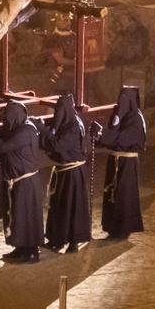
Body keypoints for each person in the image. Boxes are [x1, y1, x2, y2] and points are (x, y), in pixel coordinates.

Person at [0, 101, 44, 263]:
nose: (6, 121)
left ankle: (32, 251)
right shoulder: (18, 128)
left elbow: (3, 148)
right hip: (17, 181)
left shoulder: (26, 131)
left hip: (26, 183)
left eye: (7, 117)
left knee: (27, 216)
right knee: (17, 216)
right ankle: (20, 247)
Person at [40, 93, 92, 253]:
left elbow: (57, 145)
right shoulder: (67, 122)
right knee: (58, 206)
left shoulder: (74, 126)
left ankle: (74, 242)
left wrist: (42, 129)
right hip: (64, 171)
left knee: (72, 206)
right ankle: (57, 239)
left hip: (73, 173)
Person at [95, 86, 146, 239]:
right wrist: (98, 137)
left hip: (127, 162)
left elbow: (123, 138)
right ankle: (112, 226)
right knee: (112, 193)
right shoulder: (119, 115)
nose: (121, 102)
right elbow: (112, 136)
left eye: (124, 99)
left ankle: (124, 227)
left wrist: (102, 134)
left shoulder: (136, 118)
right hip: (116, 160)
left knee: (124, 194)